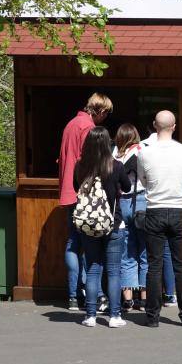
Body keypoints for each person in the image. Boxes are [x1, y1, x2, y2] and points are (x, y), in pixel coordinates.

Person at [136, 110, 182, 327]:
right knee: (181, 265)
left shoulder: (145, 152)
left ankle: (152, 316)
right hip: (179, 208)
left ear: (155, 125)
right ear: (174, 126)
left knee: (154, 265)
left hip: (155, 209)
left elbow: (143, 180)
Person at [59, 92, 112, 311]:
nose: (105, 119)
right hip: (86, 195)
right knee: (90, 247)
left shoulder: (71, 124)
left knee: (73, 244)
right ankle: (96, 294)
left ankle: (72, 296)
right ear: (100, 111)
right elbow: (91, 163)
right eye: (106, 114)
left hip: (68, 192)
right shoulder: (88, 129)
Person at [73, 126, 131, 328]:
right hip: (113, 224)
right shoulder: (115, 166)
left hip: (89, 225)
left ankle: (90, 315)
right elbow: (127, 187)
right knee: (114, 270)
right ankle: (115, 316)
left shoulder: (80, 166)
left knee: (92, 268)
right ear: (108, 143)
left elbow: (75, 187)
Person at [112, 124, 147, 313]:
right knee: (144, 251)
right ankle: (144, 298)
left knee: (126, 252)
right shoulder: (143, 151)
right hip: (141, 201)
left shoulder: (114, 154)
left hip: (121, 203)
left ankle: (127, 299)